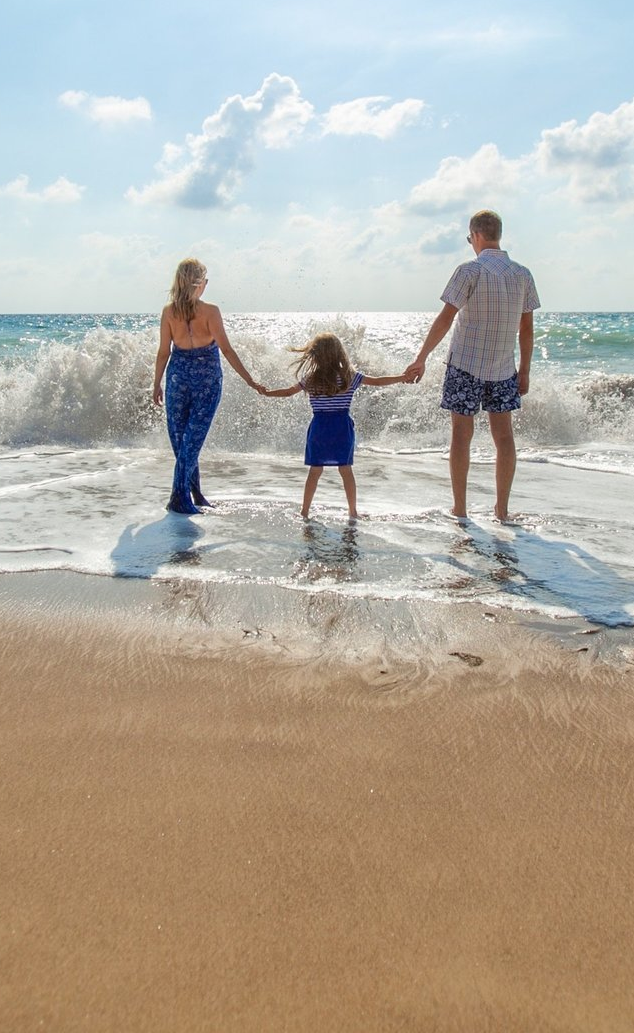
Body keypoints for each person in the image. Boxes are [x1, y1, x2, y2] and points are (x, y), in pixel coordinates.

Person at [405, 210, 540, 521]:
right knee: (504, 437)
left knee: (461, 435)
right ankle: (502, 511)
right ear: (498, 235)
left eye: (470, 239)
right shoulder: (523, 274)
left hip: (465, 365)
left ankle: (461, 509)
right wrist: (526, 370)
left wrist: (422, 357)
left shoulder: (469, 271)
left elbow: (445, 319)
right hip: (504, 368)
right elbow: (527, 330)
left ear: (477, 235)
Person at [153, 258, 264, 514]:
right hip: (207, 380)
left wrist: (157, 383)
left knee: (184, 441)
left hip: (177, 378)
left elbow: (163, 352)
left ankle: (193, 494)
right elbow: (225, 349)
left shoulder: (169, 312)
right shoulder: (211, 311)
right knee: (190, 441)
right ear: (201, 283)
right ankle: (180, 498)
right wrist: (249, 379)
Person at [263, 332, 407, 519]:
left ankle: (305, 511)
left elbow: (289, 392)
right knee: (346, 470)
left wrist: (267, 393)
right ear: (339, 353)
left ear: (315, 355)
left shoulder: (311, 378)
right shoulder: (349, 377)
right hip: (341, 429)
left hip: (319, 429)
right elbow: (378, 381)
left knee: (315, 471)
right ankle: (353, 512)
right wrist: (402, 377)